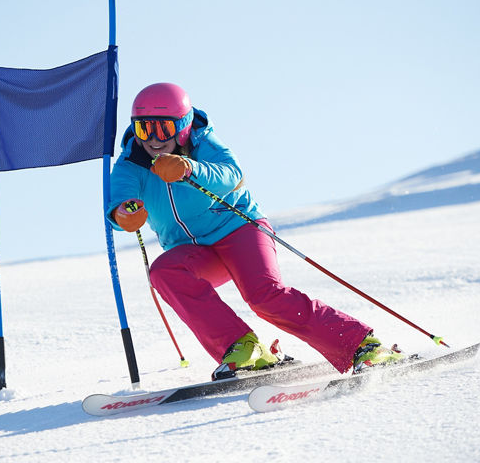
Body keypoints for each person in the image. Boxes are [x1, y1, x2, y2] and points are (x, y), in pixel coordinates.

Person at [107, 82, 403, 379]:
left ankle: (362, 345)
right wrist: (123, 214)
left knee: (264, 295)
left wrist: (190, 168)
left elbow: (232, 175)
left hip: (238, 229)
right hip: (192, 250)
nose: (153, 140)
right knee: (164, 272)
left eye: (163, 129)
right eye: (144, 130)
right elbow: (119, 200)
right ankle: (244, 348)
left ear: (183, 126)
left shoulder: (203, 142)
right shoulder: (131, 162)